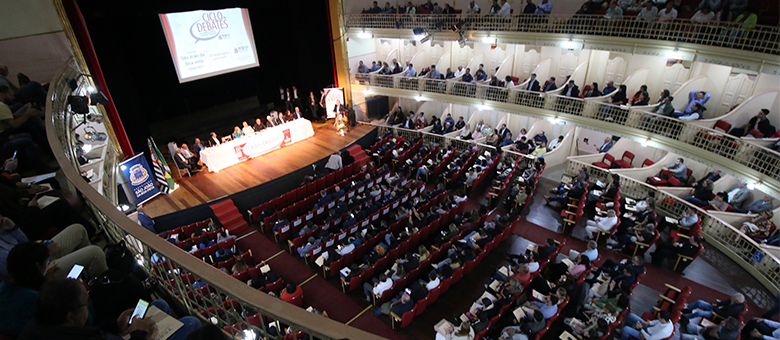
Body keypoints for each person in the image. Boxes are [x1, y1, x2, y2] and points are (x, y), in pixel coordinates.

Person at [19, 278, 200, 340]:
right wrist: (138, 335)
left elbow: (88, 331)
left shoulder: (41, 325)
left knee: (160, 305)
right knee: (191, 323)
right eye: (86, 303)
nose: (89, 306)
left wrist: (115, 325)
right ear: (71, 316)